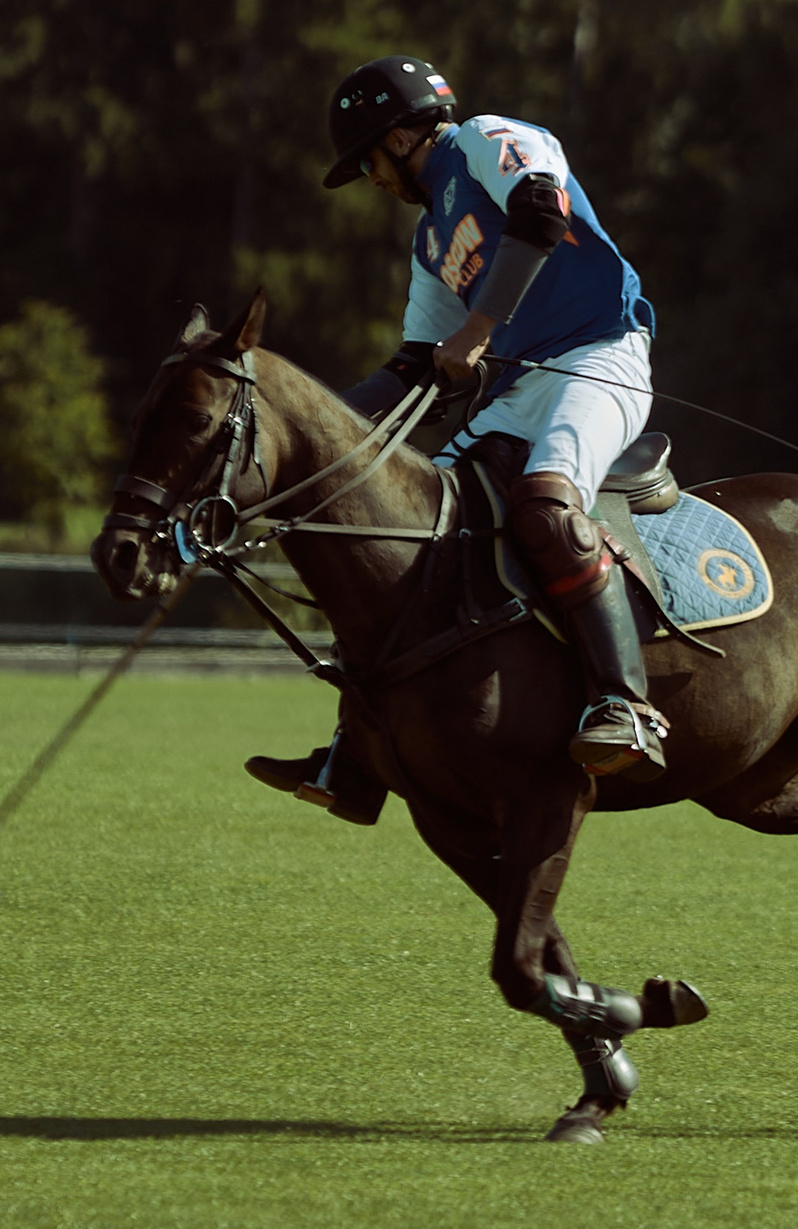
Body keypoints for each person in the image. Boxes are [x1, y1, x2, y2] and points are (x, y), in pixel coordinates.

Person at [246, 56, 665, 819]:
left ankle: (625, 705)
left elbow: (542, 211)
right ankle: (359, 750)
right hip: (517, 390)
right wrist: (307, 432)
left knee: (544, 503)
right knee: (415, 539)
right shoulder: (430, 240)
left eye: (369, 158)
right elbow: (414, 367)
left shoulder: (483, 139)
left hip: (599, 356)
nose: (372, 177)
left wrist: (479, 327)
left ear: (405, 134)